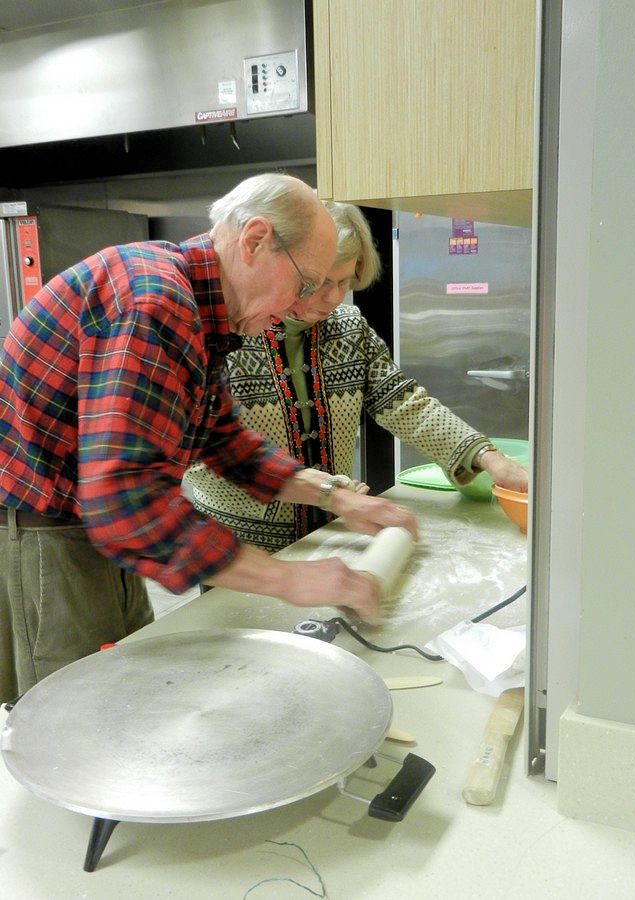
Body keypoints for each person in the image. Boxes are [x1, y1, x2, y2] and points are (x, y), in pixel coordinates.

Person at [0, 175, 417, 703]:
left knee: (129, 691)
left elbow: (223, 440)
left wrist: (334, 497)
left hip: (90, 530)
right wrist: (289, 580)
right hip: (48, 538)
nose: (302, 306)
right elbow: (127, 500)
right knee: (77, 717)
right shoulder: (154, 300)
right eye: (307, 284)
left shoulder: (202, 310)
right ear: (255, 241)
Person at [186, 201, 528, 553]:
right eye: (318, 283)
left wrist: (489, 457)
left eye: (344, 281)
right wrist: (325, 491)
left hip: (328, 536)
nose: (332, 297)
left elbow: (406, 403)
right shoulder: (228, 331)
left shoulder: (349, 328)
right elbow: (203, 453)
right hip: (234, 549)